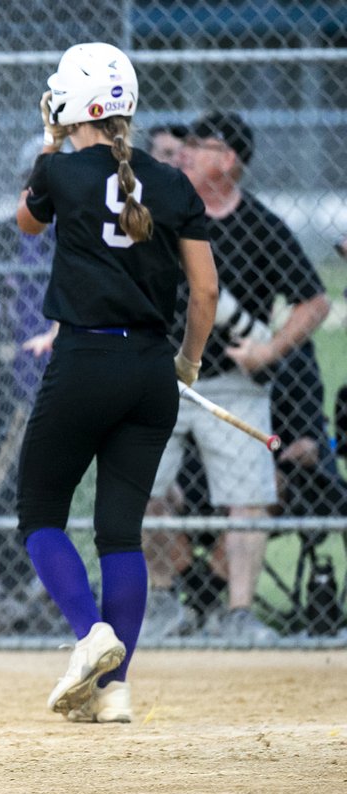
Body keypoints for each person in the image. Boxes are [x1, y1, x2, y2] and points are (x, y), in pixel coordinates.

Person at [16, 43, 218, 723]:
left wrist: (51, 146)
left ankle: (90, 633)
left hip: (85, 359)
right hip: (151, 368)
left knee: (41, 513)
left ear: (75, 104)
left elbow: (25, 221)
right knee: (121, 533)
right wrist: (187, 362)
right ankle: (114, 691)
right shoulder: (172, 181)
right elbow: (205, 290)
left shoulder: (60, 170)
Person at [143, 111, 330, 643]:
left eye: (198, 145)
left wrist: (270, 348)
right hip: (159, 376)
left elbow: (314, 302)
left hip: (232, 382)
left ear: (227, 161)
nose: (183, 152)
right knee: (139, 488)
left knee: (249, 494)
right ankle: (163, 599)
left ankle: (239, 613)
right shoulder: (158, 215)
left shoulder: (261, 226)